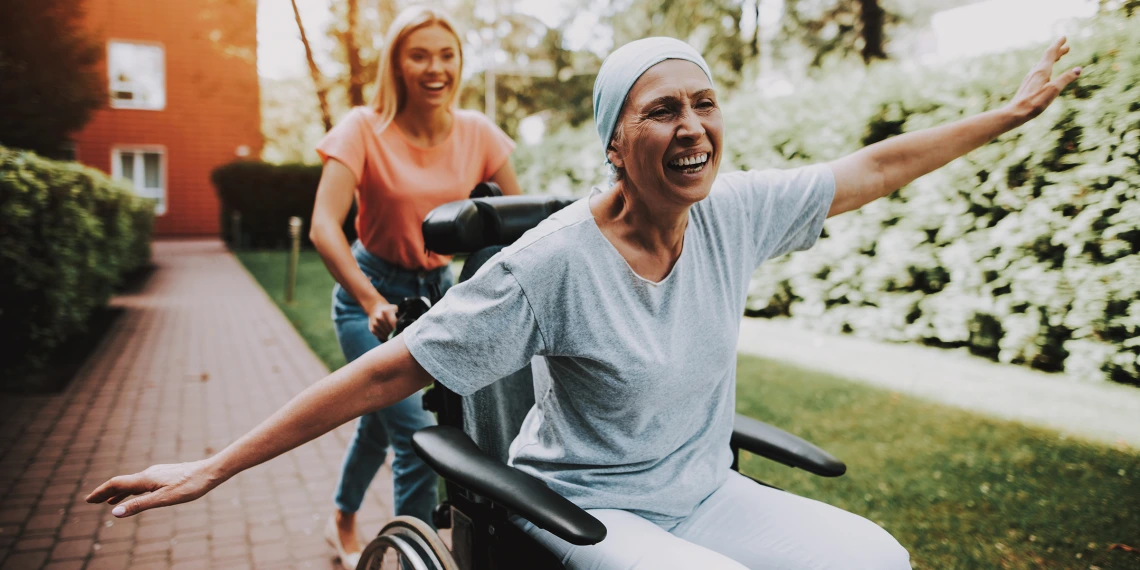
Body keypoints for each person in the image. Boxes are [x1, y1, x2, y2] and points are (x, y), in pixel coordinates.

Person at [86, 34, 1080, 569]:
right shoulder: (554, 260)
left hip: (704, 492)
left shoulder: (734, 211)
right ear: (614, 142)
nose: (691, 128)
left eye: (703, 104)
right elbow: (389, 367)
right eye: (661, 111)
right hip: (587, 508)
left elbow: (874, 165)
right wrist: (214, 467)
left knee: (876, 558)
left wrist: (1010, 113)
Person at [307, 6, 520, 567]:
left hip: (439, 297)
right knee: (419, 440)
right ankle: (416, 560)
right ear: (397, 65)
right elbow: (323, 226)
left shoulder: (477, 132)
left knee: (381, 424)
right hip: (369, 298)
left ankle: (341, 519)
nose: (435, 68)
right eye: (419, 54)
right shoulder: (362, 128)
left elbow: (522, 226)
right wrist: (370, 300)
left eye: (446, 55)